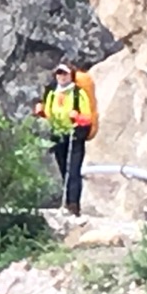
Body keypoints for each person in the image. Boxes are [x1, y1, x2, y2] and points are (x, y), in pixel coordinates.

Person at [33, 62, 93, 215]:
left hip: (74, 135)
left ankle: (73, 205)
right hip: (58, 135)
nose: (61, 76)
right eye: (59, 73)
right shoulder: (53, 93)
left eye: (64, 74)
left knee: (73, 170)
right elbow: (49, 114)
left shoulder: (78, 94)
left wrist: (77, 117)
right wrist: (41, 113)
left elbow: (87, 118)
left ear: (71, 76)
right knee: (63, 170)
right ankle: (67, 203)